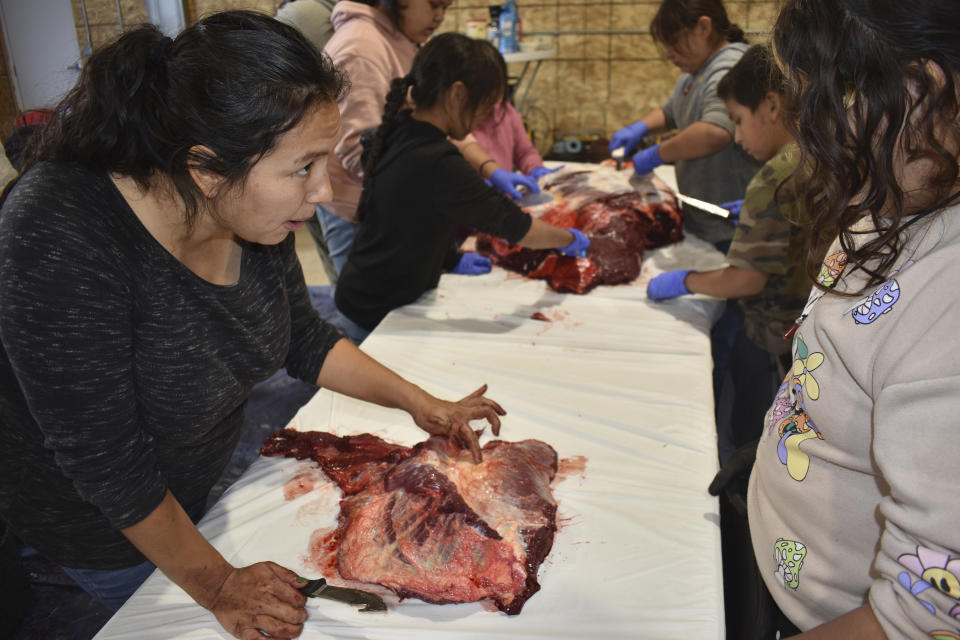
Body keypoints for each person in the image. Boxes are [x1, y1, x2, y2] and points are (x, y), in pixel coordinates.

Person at [0, 13, 508, 640]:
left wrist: (420, 403)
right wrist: (216, 585)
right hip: (103, 525)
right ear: (207, 168)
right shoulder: (60, 232)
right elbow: (107, 464)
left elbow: (303, 335)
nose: (322, 190)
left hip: (194, 491)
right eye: (304, 168)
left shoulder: (247, 211)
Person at [742, 1, 960, 637]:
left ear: (924, 89)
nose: (812, 131)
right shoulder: (896, 198)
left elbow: (923, 614)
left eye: (834, 101)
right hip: (786, 571)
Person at [334, 33, 589, 344]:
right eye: (483, 108)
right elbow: (517, 226)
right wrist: (568, 239)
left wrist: (450, 260)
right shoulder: (437, 160)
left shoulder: (402, 130)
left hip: (367, 290)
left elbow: (411, 220)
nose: (482, 119)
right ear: (457, 96)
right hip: (376, 311)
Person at [646, 44, 810, 465]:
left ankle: (739, 502)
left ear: (772, 106)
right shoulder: (816, 155)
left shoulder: (775, 176)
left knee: (752, 440)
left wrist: (685, 281)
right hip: (806, 337)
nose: (736, 137)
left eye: (738, 120)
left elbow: (744, 279)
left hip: (771, 340)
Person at [609, 0, 760, 249]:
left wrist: (657, 154)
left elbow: (715, 131)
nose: (668, 53)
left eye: (673, 41)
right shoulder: (695, 73)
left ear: (703, 27)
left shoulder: (729, 66)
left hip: (731, 225)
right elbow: (670, 113)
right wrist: (639, 128)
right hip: (704, 221)